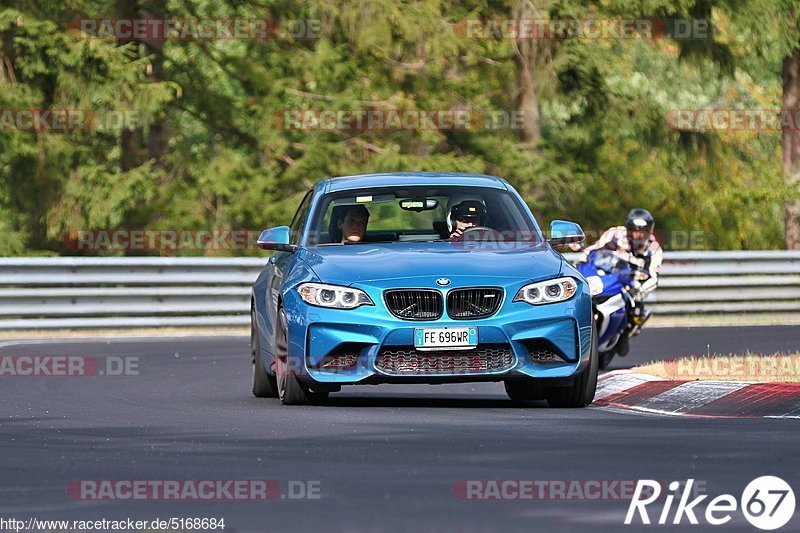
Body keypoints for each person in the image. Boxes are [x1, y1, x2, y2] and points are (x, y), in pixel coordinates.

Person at [578, 208, 662, 352]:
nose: (638, 236)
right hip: (609, 272)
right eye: (635, 231)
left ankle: (624, 334)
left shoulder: (654, 249)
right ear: (628, 230)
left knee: (637, 309)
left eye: (642, 232)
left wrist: (641, 289)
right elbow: (595, 248)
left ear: (649, 232)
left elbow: (653, 276)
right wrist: (583, 258)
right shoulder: (615, 234)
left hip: (631, 281)